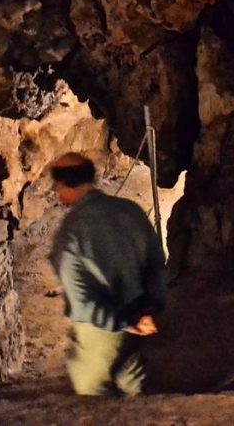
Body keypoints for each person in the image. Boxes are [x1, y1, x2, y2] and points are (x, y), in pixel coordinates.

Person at [48, 153, 166, 396]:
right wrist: (150, 309)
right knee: (137, 394)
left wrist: (125, 322)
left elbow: (81, 304)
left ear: (62, 185)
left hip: (101, 337)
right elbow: (156, 264)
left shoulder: (70, 231)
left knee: (94, 399)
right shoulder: (130, 211)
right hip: (141, 322)